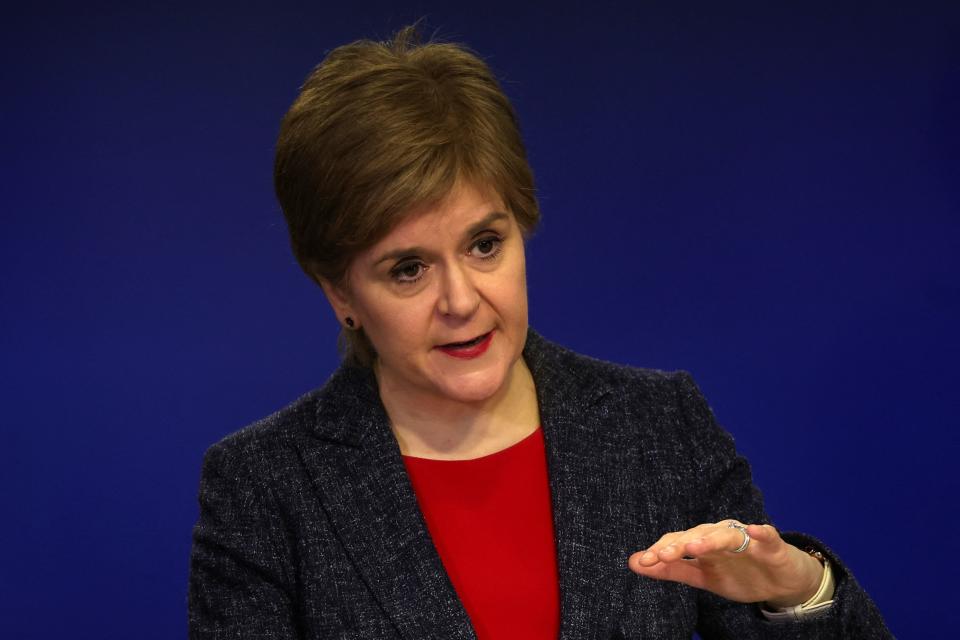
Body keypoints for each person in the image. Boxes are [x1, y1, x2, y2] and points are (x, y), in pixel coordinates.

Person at [188, 26, 892, 639]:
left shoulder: (658, 426)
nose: (461, 300)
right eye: (408, 270)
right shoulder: (264, 487)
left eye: (485, 244)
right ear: (340, 291)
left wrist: (800, 592)